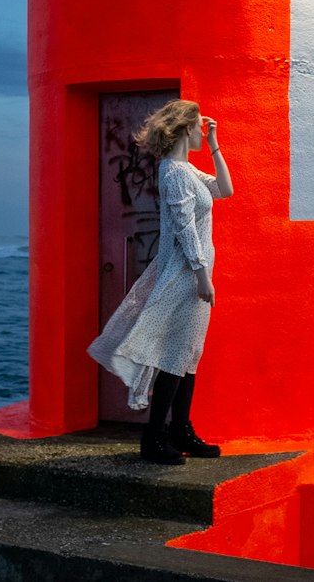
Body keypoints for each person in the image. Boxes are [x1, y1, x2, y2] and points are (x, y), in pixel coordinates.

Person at [87, 98, 233, 464]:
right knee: (173, 355)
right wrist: (202, 275)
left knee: (188, 354)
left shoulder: (186, 170)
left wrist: (215, 143)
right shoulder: (174, 172)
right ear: (185, 128)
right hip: (185, 273)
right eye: (200, 126)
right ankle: (155, 437)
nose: (203, 130)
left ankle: (181, 430)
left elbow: (226, 190)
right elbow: (184, 226)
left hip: (195, 272)